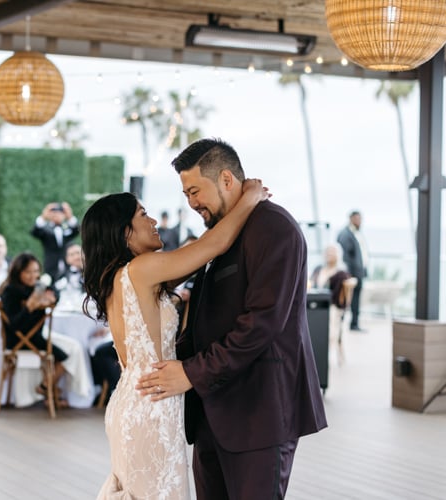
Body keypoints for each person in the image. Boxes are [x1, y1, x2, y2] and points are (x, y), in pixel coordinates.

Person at [137, 138, 327, 500]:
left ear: (226, 179)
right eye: (186, 194)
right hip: (212, 411)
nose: (191, 203)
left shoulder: (275, 228)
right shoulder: (218, 235)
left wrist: (190, 373)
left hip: (260, 413)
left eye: (195, 191)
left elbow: (261, 324)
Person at [81, 181, 266, 499]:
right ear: (125, 232)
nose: (153, 222)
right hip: (150, 406)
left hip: (137, 399)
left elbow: (198, 256)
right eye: (143, 214)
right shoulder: (141, 269)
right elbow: (213, 245)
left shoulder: (125, 275)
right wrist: (250, 198)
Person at [0, 253, 89, 406]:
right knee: (64, 357)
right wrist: (29, 307)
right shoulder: (10, 291)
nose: (33, 276)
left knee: (72, 348)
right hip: (20, 339)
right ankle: (46, 388)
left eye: (35, 271)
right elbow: (14, 325)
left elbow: (54, 291)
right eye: (28, 272)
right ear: (18, 272)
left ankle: (48, 389)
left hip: (36, 336)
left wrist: (52, 296)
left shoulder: (36, 288)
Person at [30, 202, 79, 281]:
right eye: (54, 213)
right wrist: (43, 216)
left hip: (67, 267)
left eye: (60, 213)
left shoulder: (66, 227)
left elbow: (76, 230)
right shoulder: (46, 229)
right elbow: (35, 232)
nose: (57, 215)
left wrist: (70, 216)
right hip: (51, 267)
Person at [337, 210, 368, 332]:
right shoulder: (346, 234)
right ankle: (344, 324)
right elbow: (345, 257)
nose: (359, 221)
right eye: (357, 219)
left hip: (358, 273)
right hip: (351, 275)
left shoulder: (356, 233)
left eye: (360, 219)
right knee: (346, 300)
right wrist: (349, 275)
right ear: (351, 219)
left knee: (354, 300)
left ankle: (354, 323)